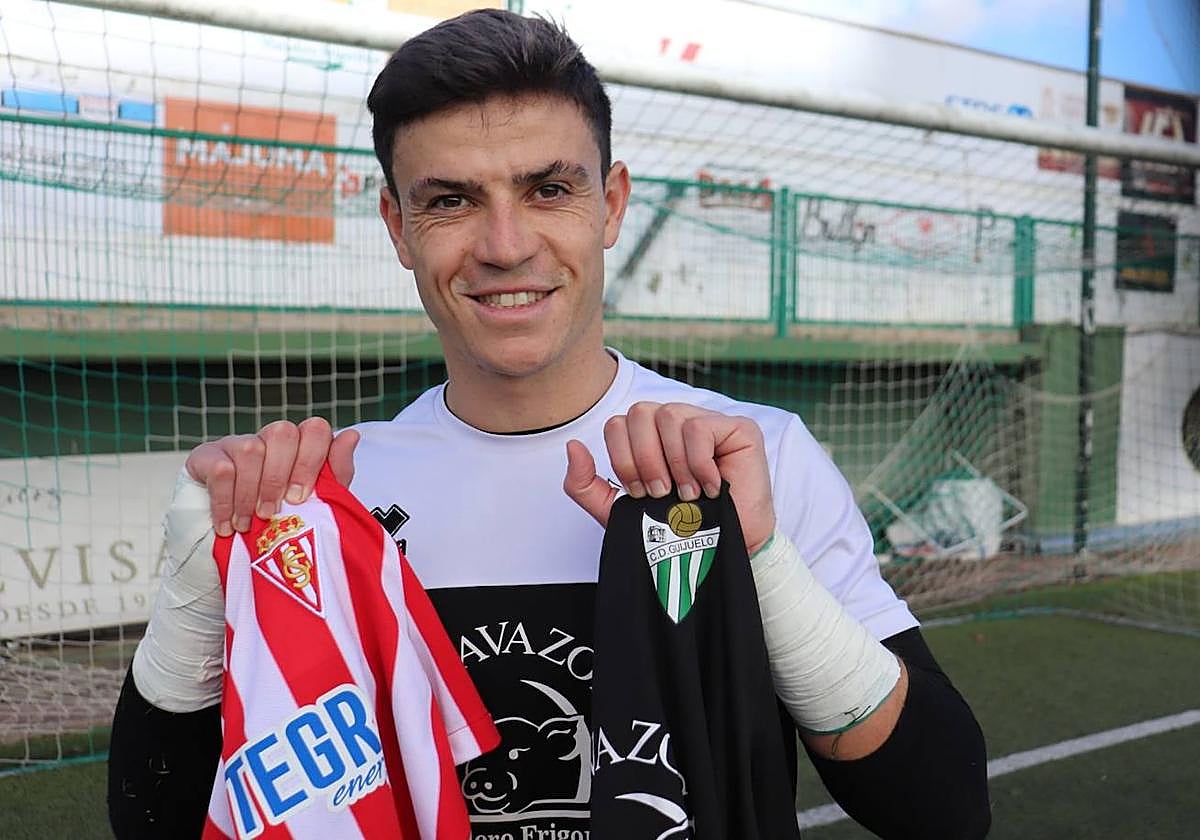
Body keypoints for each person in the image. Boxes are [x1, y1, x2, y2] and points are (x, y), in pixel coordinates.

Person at [108, 9, 990, 839]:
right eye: (450, 200)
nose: (504, 244)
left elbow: (941, 807)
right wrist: (197, 600)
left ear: (609, 205)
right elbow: (157, 821)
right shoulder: (334, 498)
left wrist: (755, 560)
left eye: (548, 189)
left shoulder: (752, 456)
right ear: (398, 226)